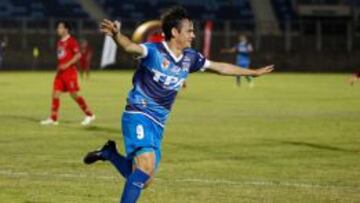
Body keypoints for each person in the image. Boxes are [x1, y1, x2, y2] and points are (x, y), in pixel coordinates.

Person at [83, 7, 273, 203]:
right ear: (175, 32)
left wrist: (251, 72)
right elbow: (130, 47)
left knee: (144, 179)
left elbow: (219, 67)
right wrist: (116, 35)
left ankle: (109, 154)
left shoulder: (190, 58)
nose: (193, 34)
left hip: (158, 123)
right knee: (145, 168)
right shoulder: (153, 50)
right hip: (138, 113)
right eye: (189, 30)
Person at [40, 21, 95, 126]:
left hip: (69, 72)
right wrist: (61, 66)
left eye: (60, 28)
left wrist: (66, 64)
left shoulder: (71, 41)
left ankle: (89, 115)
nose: (58, 30)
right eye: (58, 28)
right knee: (55, 94)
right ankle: (53, 118)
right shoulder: (60, 42)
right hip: (60, 73)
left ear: (66, 29)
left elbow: (78, 55)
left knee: (74, 94)